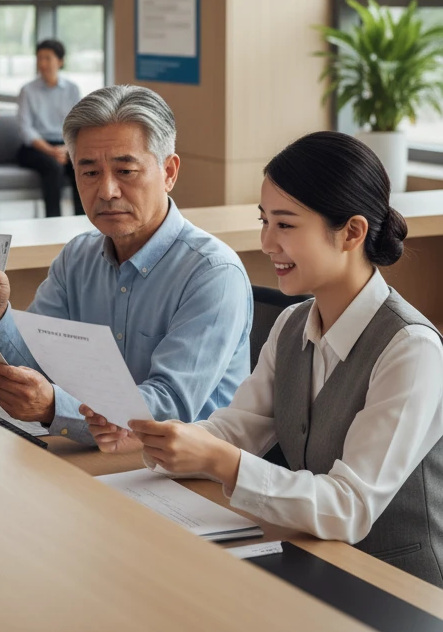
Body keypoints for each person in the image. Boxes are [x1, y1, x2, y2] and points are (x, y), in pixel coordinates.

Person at [88, 132, 443, 585]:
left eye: (285, 225)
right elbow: (238, 428)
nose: (267, 242)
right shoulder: (292, 324)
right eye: (264, 221)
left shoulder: (410, 348)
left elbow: (349, 507)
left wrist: (222, 461)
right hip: (315, 559)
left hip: (398, 586)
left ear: (352, 232)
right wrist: (153, 435)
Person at [0, 84, 251, 444]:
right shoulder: (77, 257)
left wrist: (54, 407)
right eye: (90, 173)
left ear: (169, 172)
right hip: (100, 453)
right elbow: (36, 365)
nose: (107, 191)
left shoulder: (213, 274)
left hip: (183, 467)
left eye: (125, 171)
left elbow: (168, 408)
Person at [16, 39, 83, 218]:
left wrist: (66, 148)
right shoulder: (27, 90)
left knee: (81, 165)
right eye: (39, 58)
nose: (42, 63)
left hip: (65, 145)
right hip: (35, 148)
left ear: (60, 61)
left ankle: (83, 221)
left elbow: (78, 125)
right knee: (53, 167)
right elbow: (25, 129)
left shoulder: (72, 89)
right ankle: (53, 221)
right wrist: (51, 151)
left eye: (47, 58)